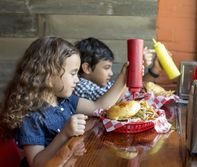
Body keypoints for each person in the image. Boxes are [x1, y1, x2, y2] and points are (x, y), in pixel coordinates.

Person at [0, 36, 128, 167]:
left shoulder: (66, 100)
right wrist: (65, 134)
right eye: (73, 73)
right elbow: (36, 163)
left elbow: (99, 107)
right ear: (48, 74)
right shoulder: (31, 114)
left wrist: (123, 77)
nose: (77, 80)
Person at [73, 37, 161, 101]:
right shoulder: (79, 86)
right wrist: (130, 71)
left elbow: (125, 91)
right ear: (87, 68)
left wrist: (139, 69)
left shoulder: (101, 85)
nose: (111, 73)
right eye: (106, 68)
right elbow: (112, 100)